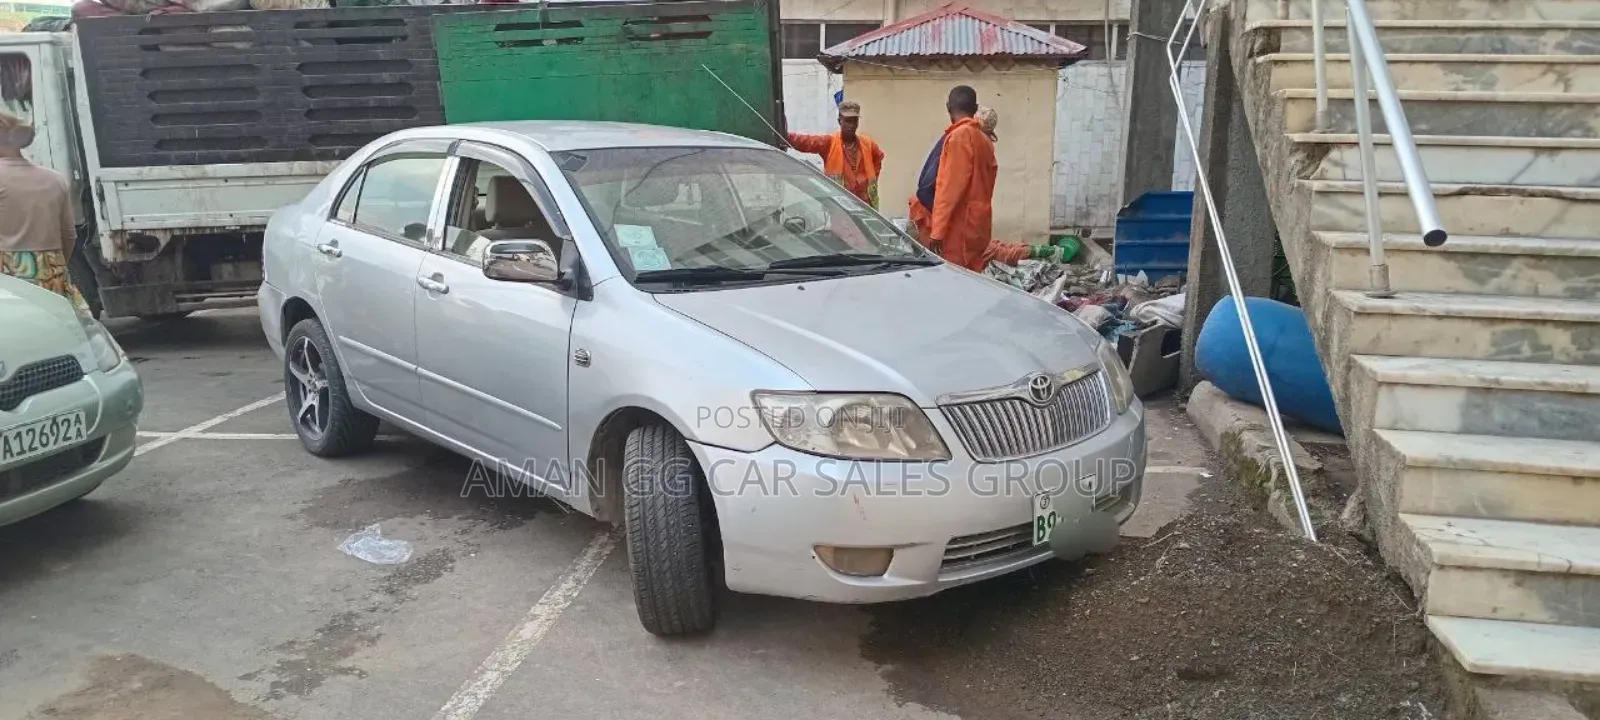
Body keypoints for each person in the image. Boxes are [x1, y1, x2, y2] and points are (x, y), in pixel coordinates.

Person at [907, 99, 1063, 268]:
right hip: (943, 218)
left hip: (954, 222)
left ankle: (1035, 251)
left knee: (973, 259)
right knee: (980, 256)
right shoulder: (966, 140)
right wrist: (941, 227)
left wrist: (943, 227)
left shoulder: (968, 140)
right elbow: (940, 189)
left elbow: (947, 188)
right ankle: (1036, 251)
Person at [0, 110, 87, 312]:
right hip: (52, 276)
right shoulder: (54, 179)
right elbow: (69, 236)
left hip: (8, 279)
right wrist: (49, 266)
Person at [786, 100, 885, 209]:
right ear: (839, 121)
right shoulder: (829, 143)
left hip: (866, 208)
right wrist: (786, 136)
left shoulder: (869, 145)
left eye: (854, 121)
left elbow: (878, 158)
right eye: (847, 121)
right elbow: (807, 142)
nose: (851, 125)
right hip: (840, 210)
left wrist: (870, 179)